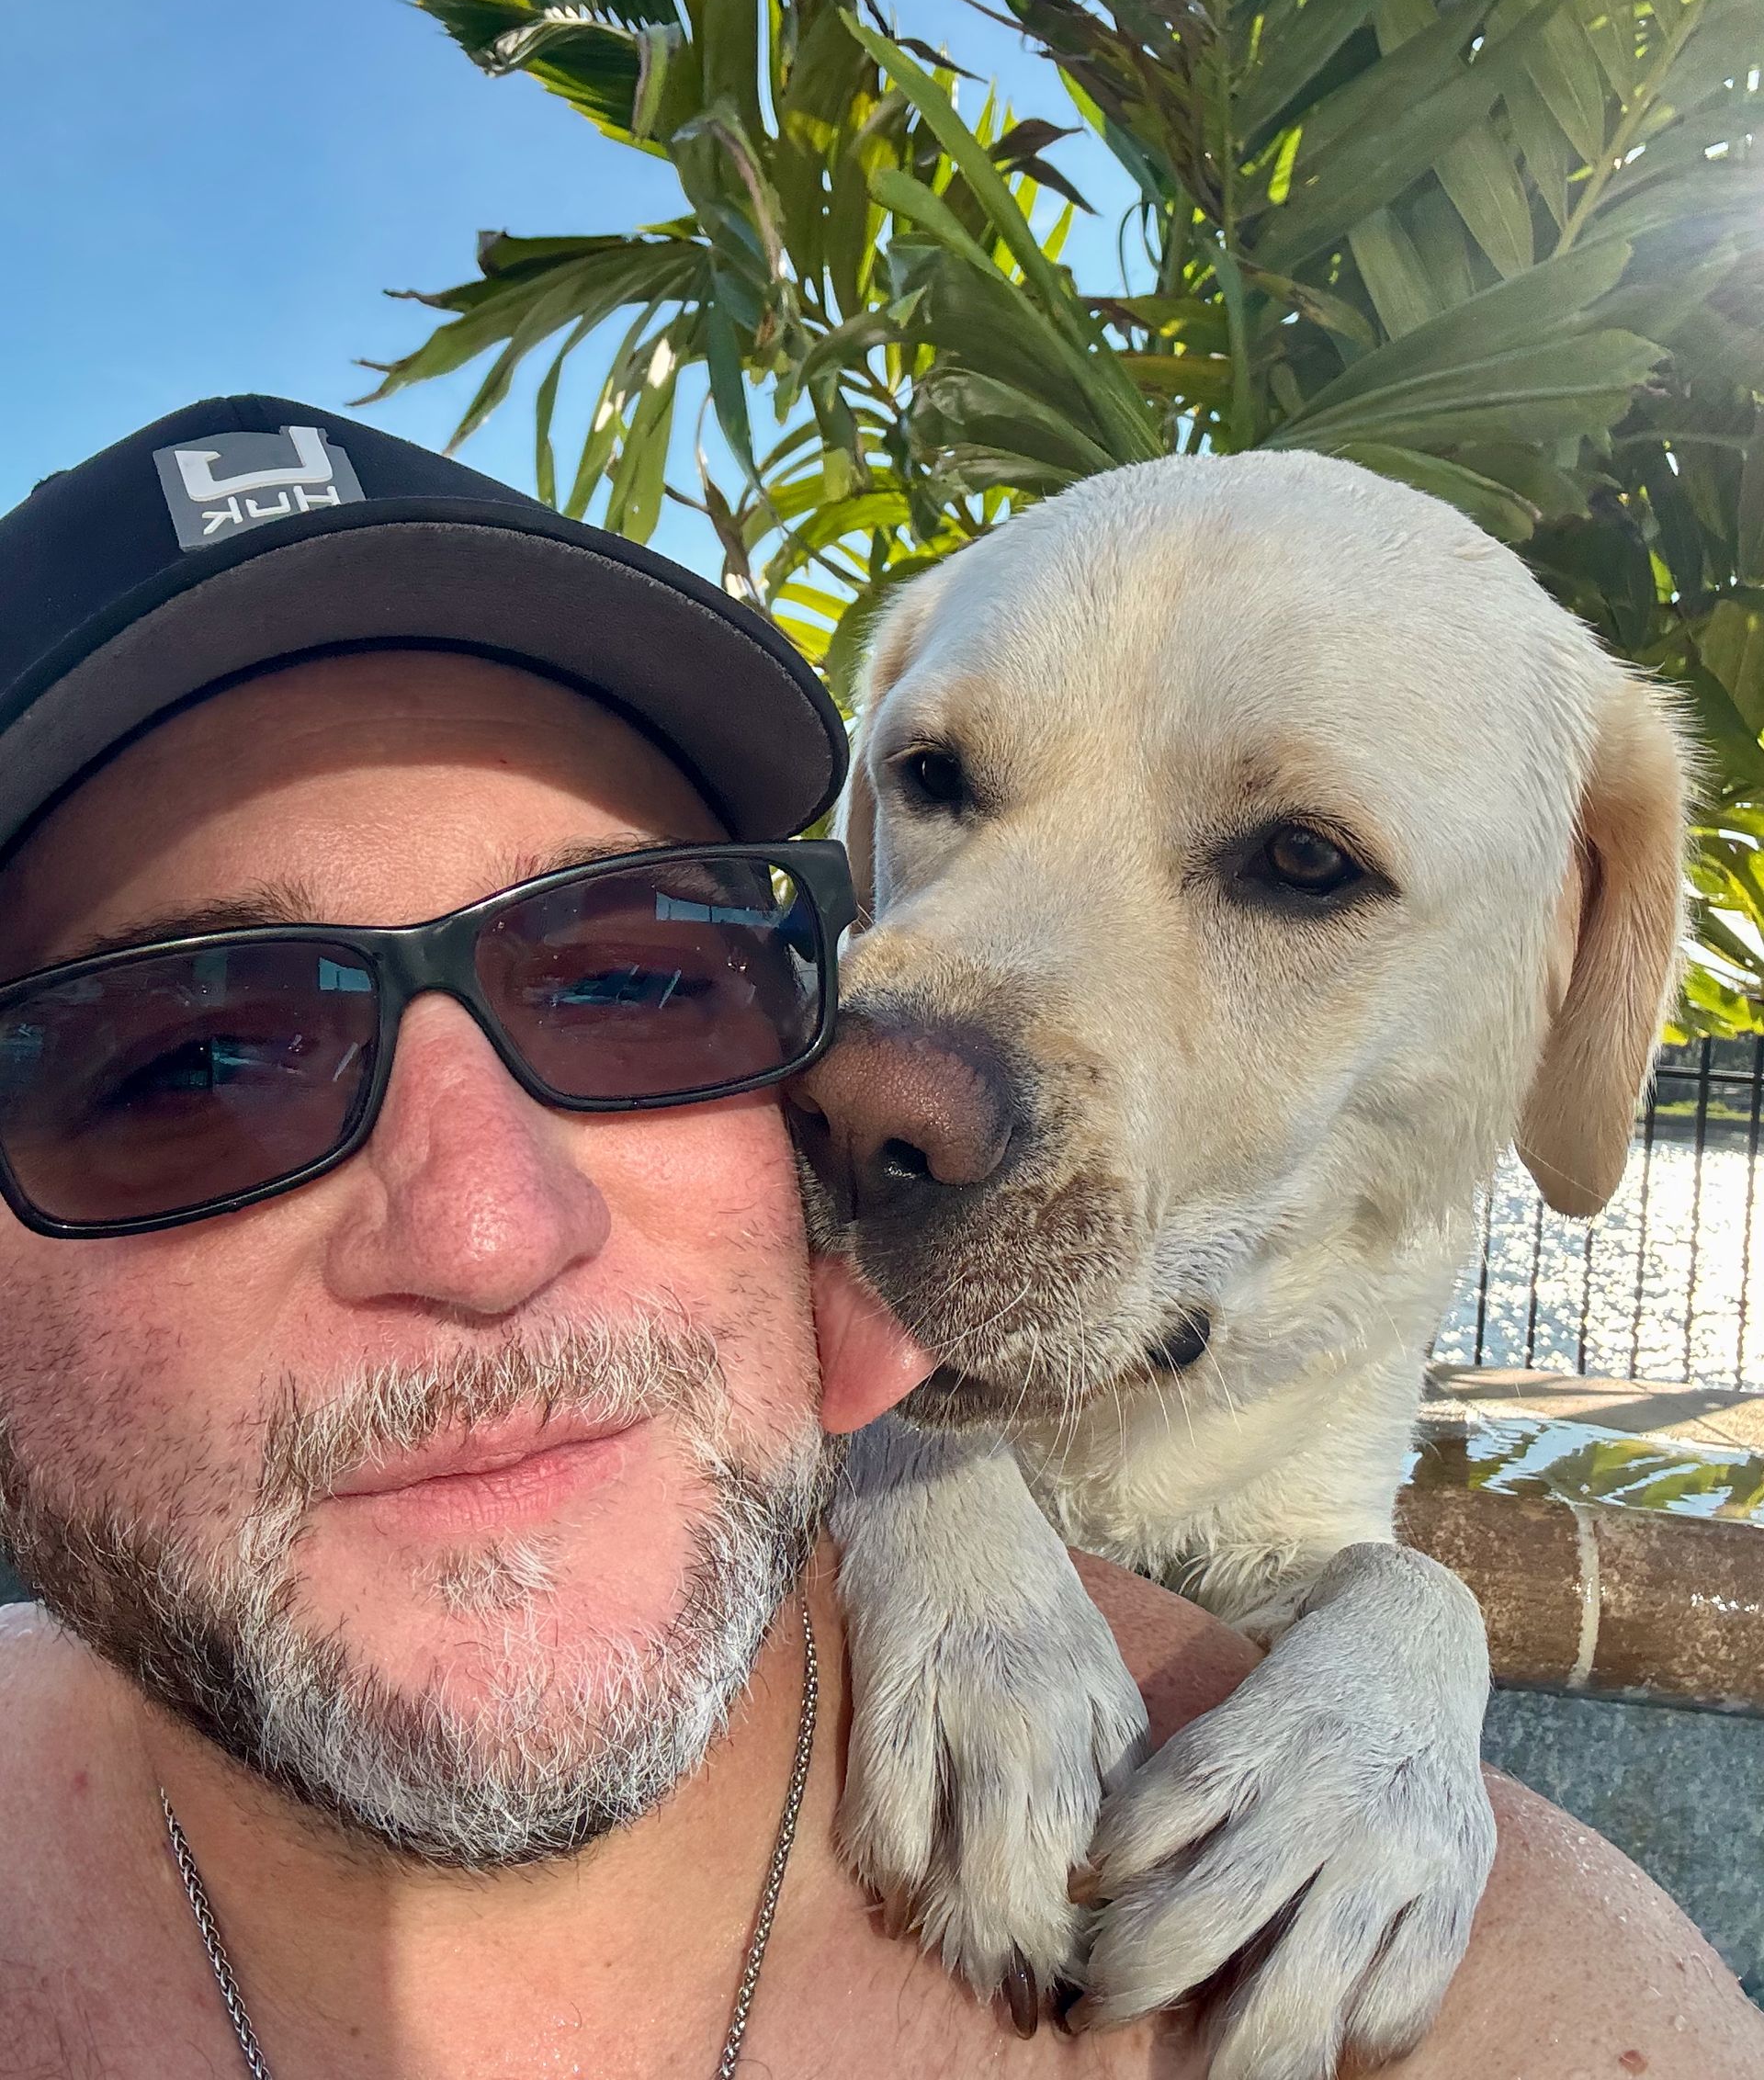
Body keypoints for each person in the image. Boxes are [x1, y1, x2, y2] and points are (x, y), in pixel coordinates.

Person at [0, 398, 1755, 2080]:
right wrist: (911, 1467)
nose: (486, 1221)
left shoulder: (1581, 2013)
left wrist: (1405, 1641)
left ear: (1580, 944)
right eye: (191, 1061)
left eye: (1298, 865)